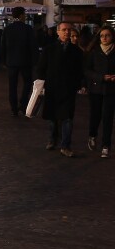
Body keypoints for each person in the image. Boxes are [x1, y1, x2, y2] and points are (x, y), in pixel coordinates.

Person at [36, 22, 83, 157]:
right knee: (52, 117)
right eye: (64, 30)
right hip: (52, 88)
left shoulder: (76, 51)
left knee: (67, 118)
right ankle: (52, 139)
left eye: (69, 30)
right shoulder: (49, 49)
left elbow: (80, 70)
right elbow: (41, 68)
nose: (66, 32)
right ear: (58, 32)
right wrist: (43, 84)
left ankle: (66, 145)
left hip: (68, 90)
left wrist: (78, 85)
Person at [85, 25, 115, 158]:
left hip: (111, 89)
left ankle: (106, 145)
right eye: (102, 35)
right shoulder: (94, 51)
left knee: (108, 117)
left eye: (107, 35)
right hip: (96, 88)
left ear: (112, 36)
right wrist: (100, 77)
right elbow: (87, 70)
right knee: (95, 115)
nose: (104, 38)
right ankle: (92, 135)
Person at [1, 7, 37, 116]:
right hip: (25, 61)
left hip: (11, 62)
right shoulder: (28, 28)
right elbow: (33, 46)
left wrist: (4, 61)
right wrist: (35, 60)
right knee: (27, 83)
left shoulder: (7, 29)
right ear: (21, 15)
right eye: (24, 14)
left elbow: (3, 46)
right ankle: (23, 103)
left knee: (12, 86)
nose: (25, 16)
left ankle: (14, 108)